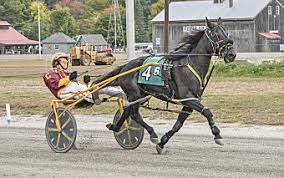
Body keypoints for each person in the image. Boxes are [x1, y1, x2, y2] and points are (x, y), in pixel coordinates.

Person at [43, 52, 126, 105]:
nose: (66, 63)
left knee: (99, 86)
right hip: (62, 93)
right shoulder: (50, 73)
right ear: (56, 62)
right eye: (64, 62)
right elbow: (56, 85)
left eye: (67, 62)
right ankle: (94, 98)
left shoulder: (65, 72)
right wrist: (69, 78)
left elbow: (73, 81)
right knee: (80, 89)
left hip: (74, 90)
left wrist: (86, 79)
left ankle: (126, 96)